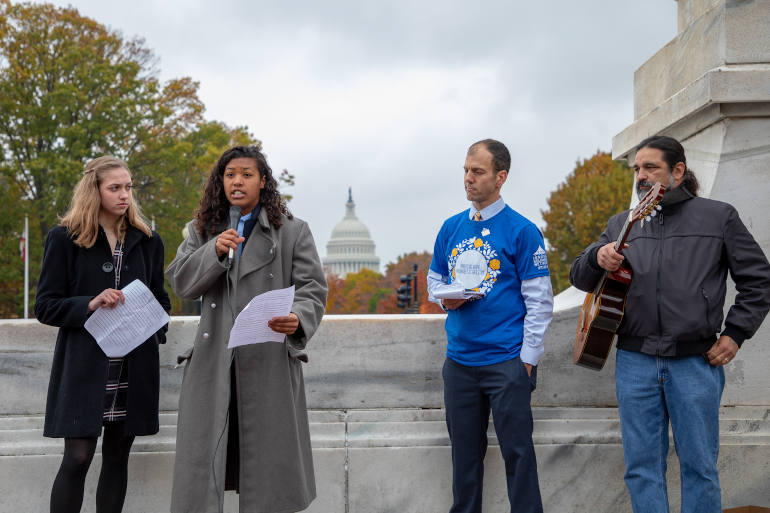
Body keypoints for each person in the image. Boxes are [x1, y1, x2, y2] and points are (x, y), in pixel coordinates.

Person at [570, 135, 770, 513]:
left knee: (700, 468)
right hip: (634, 362)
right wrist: (598, 256)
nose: (641, 176)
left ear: (678, 171)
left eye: (651, 168)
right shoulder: (621, 223)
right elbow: (580, 276)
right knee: (642, 469)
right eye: (637, 169)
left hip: (695, 362)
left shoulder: (718, 216)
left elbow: (759, 279)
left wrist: (735, 333)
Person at [167, 145, 327, 513]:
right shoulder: (201, 230)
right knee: (205, 472)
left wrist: (299, 318)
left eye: (247, 174)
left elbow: (313, 288)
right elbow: (181, 283)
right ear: (220, 182)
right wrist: (214, 253)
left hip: (268, 361)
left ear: (263, 181)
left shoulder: (293, 232)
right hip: (213, 363)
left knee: (268, 475)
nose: (237, 181)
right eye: (229, 175)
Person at [34, 156, 171, 513]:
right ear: (94, 190)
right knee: (77, 457)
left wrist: (150, 318)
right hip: (84, 365)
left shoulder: (148, 240)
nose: (124, 195)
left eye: (128, 187)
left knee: (116, 457)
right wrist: (90, 304)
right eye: (115, 188)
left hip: (134, 364)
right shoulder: (64, 238)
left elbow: (162, 301)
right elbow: (46, 306)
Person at [427, 139, 553, 513]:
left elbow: (540, 301)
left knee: (519, 455)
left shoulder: (523, 230)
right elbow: (435, 281)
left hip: (506, 363)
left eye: (477, 172)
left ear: (501, 177)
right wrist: (443, 297)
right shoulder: (450, 228)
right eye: (466, 170)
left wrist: (526, 361)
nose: (468, 178)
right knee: (464, 461)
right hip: (460, 362)